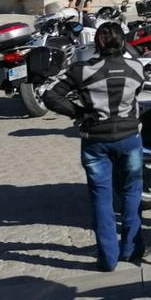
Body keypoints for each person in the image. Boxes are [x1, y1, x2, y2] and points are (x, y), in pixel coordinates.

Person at [43, 23, 145, 271]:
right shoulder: (136, 67)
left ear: (96, 44)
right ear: (123, 42)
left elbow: (50, 96)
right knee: (132, 193)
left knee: (101, 198)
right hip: (129, 136)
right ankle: (131, 250)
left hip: (95, 139)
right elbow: (138, 92)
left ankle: (108, 258)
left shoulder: (82, 70)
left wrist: (78, 112)